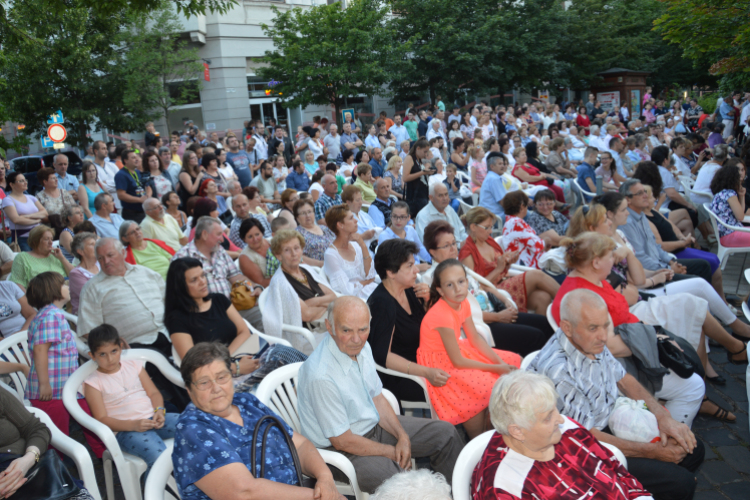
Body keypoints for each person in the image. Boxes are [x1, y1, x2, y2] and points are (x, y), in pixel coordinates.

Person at [530, 289, 704, 500]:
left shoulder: (588, 339)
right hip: (581, 448)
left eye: (605, 325)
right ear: (567, 327)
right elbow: (587, 437)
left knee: (693, 449)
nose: (604, 336)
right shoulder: (560, 371)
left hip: (610, 419)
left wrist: (663, 417)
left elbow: (624, 379)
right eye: (594, 327)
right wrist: (654, 452)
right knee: (679, 483)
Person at [298, 296, 463, 494]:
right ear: (330, 327)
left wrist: (402, 436)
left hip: (372, 427)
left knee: (446, 435)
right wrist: (391, 452)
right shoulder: (321, 375)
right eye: (346, 330)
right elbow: (342, 440)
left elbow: (377, 397)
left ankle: (455, 494)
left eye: (363, 329)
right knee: (405, 485)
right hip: (341, 451)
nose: (357, 339)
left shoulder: (361, 347)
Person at [550, 233, 708, 422]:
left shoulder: (593, 280)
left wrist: (654, 336)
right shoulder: (584, 297)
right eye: (610, 256)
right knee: (693, 386)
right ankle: (670, 438)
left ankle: (664, 424)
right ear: (596, 262)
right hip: (612, 368)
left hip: (628, 348)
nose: (614, 260)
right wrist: (655, 340)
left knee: (685, 357)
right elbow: (609, 347)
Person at [172, 343, 341, 500]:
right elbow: (244, 492)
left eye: (221, 377)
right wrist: (317, 497)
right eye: (204, 383)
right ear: (189, 390)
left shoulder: (246, 402)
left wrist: (325, 479)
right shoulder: (192, 429)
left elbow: (300, 444)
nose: (216, 388)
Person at [472, 370, 652, 500]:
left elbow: (615, 470)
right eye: (548, 417)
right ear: (517, 431)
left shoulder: (565, 430)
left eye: (554, 409)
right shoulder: (504, 488)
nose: (560, 419)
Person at [78, 238, 189, 410]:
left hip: (168, 332)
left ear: (122, 253)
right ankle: (189, 407)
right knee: (159, 361)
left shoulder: (146, 273)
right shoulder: (93, 288)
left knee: (195, 346)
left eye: (110, 255)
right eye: (100, 258)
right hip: (134, 344)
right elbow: (88, 329)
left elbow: (171, 304)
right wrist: (113, 339)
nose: (106, 261)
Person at [418, 260, 521, 438]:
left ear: (467, 281)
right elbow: (457, 361)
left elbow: (475, 338)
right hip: (441, 362)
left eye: (461, 281)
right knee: (484, 385)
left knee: (511, 360)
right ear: (440, 290)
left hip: (457, 351)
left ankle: (489, 431)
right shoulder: (441, 314)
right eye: (450, 285)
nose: (458, 289)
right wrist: (497, 369)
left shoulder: (463, 302)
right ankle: (477, 438)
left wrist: (500, 363)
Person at [24, 272, 106, 457]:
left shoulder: (54, 314)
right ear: (52, 291)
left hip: (67, 386)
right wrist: (45, 384)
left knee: (89, 418)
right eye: (63, 284)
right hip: (51, 391)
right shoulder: (50, 316)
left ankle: (104, 454)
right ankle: (59, 472)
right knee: (57, 435)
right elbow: (40, 350)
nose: (68, 286)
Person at [84, 324, 178, 480]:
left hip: (154, 419)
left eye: (114, 351)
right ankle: (153, 494)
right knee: (159, 457)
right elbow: (102, 419)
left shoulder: (134, 365)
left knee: (193, 425)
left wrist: (159, 411)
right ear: (92, 355)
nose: (110, 359)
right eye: (102, 354)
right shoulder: (93, 382)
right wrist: (134, 425)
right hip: (126, 431)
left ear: (121, 347)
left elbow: (154, 393)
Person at [366, 239, 441, 404]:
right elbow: (382, 356)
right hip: (399, 376)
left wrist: (429, 301)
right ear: (391, 272)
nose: (416, 270)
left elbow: (432, 328)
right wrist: (426, 372)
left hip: (425, 360)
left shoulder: (410, 290)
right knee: (456, 383)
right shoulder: (382, 304)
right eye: (409, 266)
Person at [164, 257, 259, 376]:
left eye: (202, 275)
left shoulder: (219, 300)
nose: (203, 281)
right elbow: (192, 364)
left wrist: (225, 357)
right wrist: (235, 367)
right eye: (194, 280)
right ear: (180, 286)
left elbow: (244, 331)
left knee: (284, 354)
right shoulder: (177, 319)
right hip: (217, 376)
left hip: (241, 356)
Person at [459, 207, 559, 313]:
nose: (491, 231)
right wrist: (498, 269)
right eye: (487, 227)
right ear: (473, 227)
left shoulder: (488, 240)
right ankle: (570, 302)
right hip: (494, 291)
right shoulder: (467, 253)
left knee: (543, 298)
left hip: (505, 281)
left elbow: (501, 268)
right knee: (537, 274)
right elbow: (476, 288)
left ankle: (548, 328)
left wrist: (507, 263)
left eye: (491, 227)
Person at [619, 180, 712, 284]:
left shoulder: (641, 215)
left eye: (645, 191)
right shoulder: (627, 222)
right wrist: (669, 268)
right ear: (628, 200)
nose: (645, 195)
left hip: (660, 263)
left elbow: (655, 246)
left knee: (703, 265)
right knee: (698, 281)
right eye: (640, 193)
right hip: (651, 273)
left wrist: (671, 262)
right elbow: (640, 258)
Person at [175, 216, 263, 325]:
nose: (222, 239)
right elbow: (179, 297)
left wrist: (256, 287)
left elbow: (236, 276)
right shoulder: (181, 258)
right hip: (207, 317)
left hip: (233, 307)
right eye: (218, 234)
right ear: (204, 235)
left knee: (265, 316)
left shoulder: (219, 250)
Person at [262, 229, 336, 353]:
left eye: (296, 248)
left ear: (302, 249)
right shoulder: (281, 283)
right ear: (278, 255)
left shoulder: (306, 269)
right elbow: (307, 315)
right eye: (287, 250)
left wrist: (312, 301)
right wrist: (327, 304)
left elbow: (333, 296)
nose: (294, 253)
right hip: (311, 334)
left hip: (327, 322)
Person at [323, 204, 379, 299]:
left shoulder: (356, 245)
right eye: (351, 218)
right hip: (355, 300)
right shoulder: (331, 255)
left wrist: (362, 244)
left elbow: (370, 274)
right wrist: (366, 282)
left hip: (370, 290)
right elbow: (346, 290)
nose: (356, 220)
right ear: (340, 225)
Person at [9, 225, 72, 289]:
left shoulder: (57, 256)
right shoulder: (22, 257)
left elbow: (75, 275)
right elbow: (17, 284)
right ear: (35, 242)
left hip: (67, 292)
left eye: (51, 239)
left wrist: (62, 258)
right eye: (47, 239)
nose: (51, 242)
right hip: (41, 295)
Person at [500, 191, 546, 269]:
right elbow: (539, 246)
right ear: (522, 207)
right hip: (525, 266)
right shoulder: (516, 223)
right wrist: (547, 241)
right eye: (526, 206)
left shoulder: (511, 221)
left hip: (524, 264)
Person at [2, 172, 47, 251]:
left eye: (25, 180)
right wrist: (37, 220)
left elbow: (44, 212)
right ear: (12, 184)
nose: (25, 182)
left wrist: (27, 216)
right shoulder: (8, 200)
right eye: (21, 181)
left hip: (39, 235)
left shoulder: (31, 197)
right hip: (22, 238)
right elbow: (16, 219)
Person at [710, 161, 750, 247]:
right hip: (730, 235)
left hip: (729, 232)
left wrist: (741, 196)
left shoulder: (723, 192)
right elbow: (740, 217)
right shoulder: (730, 194)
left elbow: (740, 214)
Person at [377, 201, 430, 265]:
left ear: (408, 218)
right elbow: (392, 262)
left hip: (416, 268)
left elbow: (420, 249)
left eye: (402, 217)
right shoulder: (385, 236)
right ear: (390, 217)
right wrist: (417, 267)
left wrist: (433, 259)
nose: (398, 220)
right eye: (395, 216)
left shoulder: (410, 230)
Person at [294, 198, 335, 266]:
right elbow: (299, 257)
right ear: (297, 217)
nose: (307, 216)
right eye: (303, 213)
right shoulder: (297, 234)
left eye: (310, 212)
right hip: (319, 269)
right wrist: (322, 264)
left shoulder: (324, 228)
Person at [342, 185, 381, 253]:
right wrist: (363, 236)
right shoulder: (343, 218)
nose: (360, 202)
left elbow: (376, 228)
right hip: (357, 252)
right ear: (348, 202)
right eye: (357, 200)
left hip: (374, 248)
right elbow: (343, 241)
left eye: (361, 199)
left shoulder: (363, 214)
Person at [69, 231, 99, 315]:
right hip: (89, 313)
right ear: (81, 251)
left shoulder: (102, 263)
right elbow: (91, 297)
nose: (97, 246)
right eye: (91, 244)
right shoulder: (76, 274)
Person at [238, 218, 273, 287]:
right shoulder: (244, 258)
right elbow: (261, 283)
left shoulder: (273, 241)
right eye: (250, 236)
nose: (255, 239)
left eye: (257, 234)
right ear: (244, 239)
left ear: (262, 233)